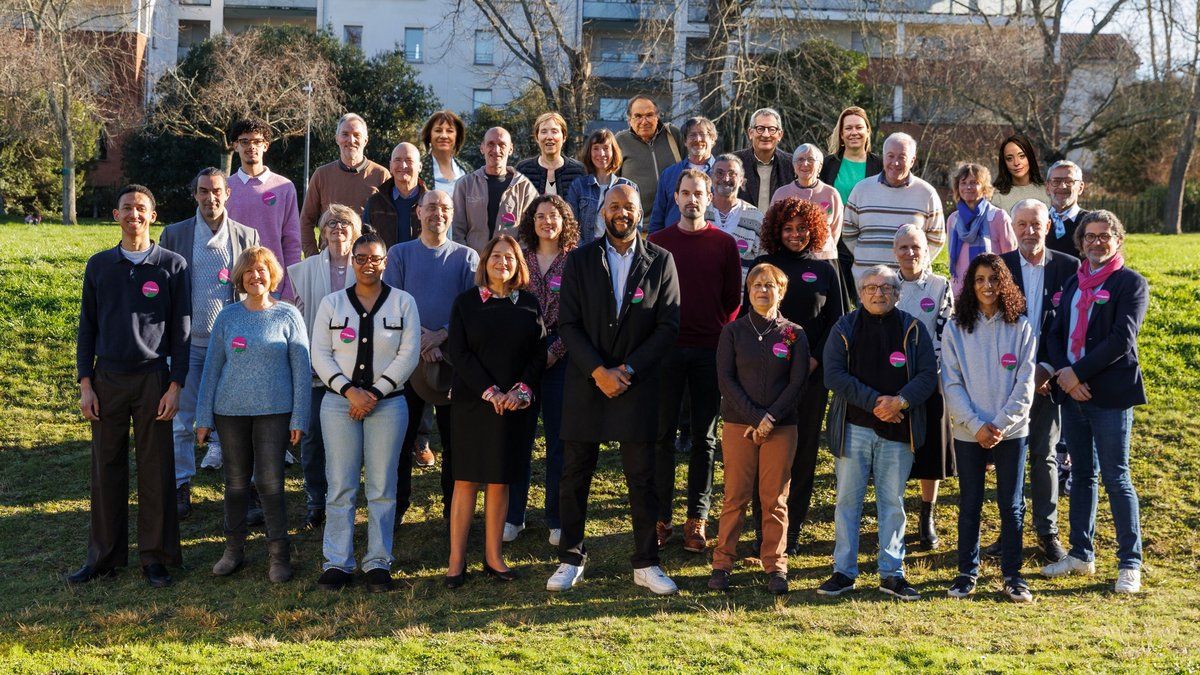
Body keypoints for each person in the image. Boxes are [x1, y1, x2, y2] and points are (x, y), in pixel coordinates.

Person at [546, 184, 681, 595]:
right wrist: (599, 371)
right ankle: (571, 557)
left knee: (642, 477)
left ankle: (646, 562)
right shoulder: (580, 260)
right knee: (574, 474)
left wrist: (628, 369)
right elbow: (567, 323)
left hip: (636, 385)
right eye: (615, 206)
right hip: (587, 383)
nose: (622, 213)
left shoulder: (661, 260)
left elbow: (668, 325)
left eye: (630, 207)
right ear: (602, 212)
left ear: (642, 213)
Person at [70, 184, 188, 589]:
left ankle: (155, 557)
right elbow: (87, 328)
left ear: (153, 216)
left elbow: (181, 333)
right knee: (106, 469)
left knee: (156, 470)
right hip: (107, 380)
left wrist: (175, 386)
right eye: (126, 208)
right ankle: (103, 558)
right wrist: (86, 383)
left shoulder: (172, 266)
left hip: (154, 378)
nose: (133, 214)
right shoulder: (99, 266)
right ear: (116, 215)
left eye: (141, 208)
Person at [1042, 210, 1147, 594]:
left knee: (1117, 478)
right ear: (1081, 242)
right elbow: (1054, 333)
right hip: (1072, 396)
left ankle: (1129, 563)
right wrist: (1066, 377)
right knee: (1082, 476)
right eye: (1090, 236)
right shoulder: (1073, 283)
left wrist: (1077, 374)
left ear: (1118, 240)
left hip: (1109, 397)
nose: (1097, 242)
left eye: (1105, 236)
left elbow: (1122, 340)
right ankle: (1081, 554)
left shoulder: (1130, 283)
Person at [817, 265, 937, 600]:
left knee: (892, 503)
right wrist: (876, 404)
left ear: (898, 293)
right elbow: (834, 375)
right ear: (860, 293)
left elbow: (928, 375)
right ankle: (843, 572)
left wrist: (900, 401)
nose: (878, 293)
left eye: (886, 287)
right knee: (847, 502)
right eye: (870, 287)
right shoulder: (845, 326)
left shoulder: (913, 329)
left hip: (898, 433)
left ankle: (892, 573)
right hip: (854, 428)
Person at [311, 231, 421, 593]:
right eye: (361, 258)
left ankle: (378, 562)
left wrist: (372, 393)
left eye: (375, 258)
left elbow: (408, 354)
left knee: (382, 486)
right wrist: (349, 391)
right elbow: (320, 354)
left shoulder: (403, 303)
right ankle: (337, 563)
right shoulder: (331, 304)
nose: (368, 265)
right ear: (352, 261)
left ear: (385, 262)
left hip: (388, 405)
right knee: (340, 485)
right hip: (337, 405)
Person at [194, 247, 310, 583]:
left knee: (270, 483)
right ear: (240, 278)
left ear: (272, 275)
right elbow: (211, 369)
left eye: (261, 270)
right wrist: (203, 417)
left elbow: (301, 370)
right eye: (249, 271)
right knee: (235, 483)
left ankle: (278, 555)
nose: (255, 276)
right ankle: (234, 550)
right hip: (230, 412)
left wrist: (299, 417)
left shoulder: (288, 316)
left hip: (275, 412)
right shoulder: (227, 317)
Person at [443, 235, 547, 587]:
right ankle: (456, 561)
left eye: (510, 257)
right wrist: (491, 392)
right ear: (484, 261)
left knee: (500, 480)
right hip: (474, 403)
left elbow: (538, 353)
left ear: (519, 264)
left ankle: (493, 557)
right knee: (467, 479)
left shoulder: (530, 305)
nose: (502, 262)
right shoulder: (465, 303)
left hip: (514, 406)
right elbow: (459, 352)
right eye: (496, 256)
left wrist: (519, 391)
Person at [648, 169, 742, 552]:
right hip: (666, 352)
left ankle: (696, 520)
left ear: (708, 197)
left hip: (709, 350)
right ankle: (660, 517)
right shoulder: (657, 243)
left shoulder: (724, 244)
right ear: (675, 198)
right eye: (685, 193)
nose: (692, 199)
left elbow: (733, 299)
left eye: (698, 193)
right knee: (662, 438)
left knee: (704, 439)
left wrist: (717, 329)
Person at [158, 168, 260, 514]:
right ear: (195, 194)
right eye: (203, 191)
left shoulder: (246, 235)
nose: (210, 198)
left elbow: (255, 289)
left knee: (237, 419)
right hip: (187, 344)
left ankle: (243, 486)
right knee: (181, 419)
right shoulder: (175, 234)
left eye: (216, 191)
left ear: (227, 193)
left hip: (232, 346)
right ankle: (179, 485)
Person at [941, 253, 1037, 602]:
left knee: (1011, 506)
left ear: (1004, 284)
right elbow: (951, 383)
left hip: (1011, 432)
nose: (986, 286)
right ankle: (967, 573)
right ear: (971, 284)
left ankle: (1013, 575)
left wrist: (997, 425)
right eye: (980, 279)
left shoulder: (1021, 327)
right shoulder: (956, 328)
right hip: (969, 431)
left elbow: (1026, 384)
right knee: (970, 503)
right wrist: (976, 425)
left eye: (993, 280)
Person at [987, 199, 1078, 563]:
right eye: (1021, 224)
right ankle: (1008, 533)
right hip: (1008, 381)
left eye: (1035, 224)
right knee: (1009, 458)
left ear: (1047, 226)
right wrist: (1021, 372)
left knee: (1045, 456)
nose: (1028, 231)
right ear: (1012, 227)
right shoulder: (999, 267)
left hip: (1049, 381)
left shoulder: (1069, 267)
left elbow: (1072, 327)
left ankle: (1047, 532)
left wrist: (1047, 367)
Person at [709, 263, 809, 595]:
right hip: (740, 425)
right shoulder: (732, 332)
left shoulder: (794, 333)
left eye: (771, 285)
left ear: (782, 291)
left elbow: (797, 383)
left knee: (775, 499)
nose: (764, 290)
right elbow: (726, 380)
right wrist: (756, 418)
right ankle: (722, 563)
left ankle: (776, 566)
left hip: (781, 427)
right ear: (748, 291)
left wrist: (770, 419)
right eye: (757, 285)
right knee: (734, 496)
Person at [748, 198, 841, 554]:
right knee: (765, 454)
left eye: (802, 228)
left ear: (814, 230)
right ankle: (763, 531)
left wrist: (815, 360)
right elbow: (749, 318)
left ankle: (792, 531)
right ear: (776, 230)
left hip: (811, 380)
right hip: (766, 379)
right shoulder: (762, 266)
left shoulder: (826, 271)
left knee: (801, 456)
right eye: (788, 228)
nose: (795, 234)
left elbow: (836, 323)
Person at [384, 190, 480, 522]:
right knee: (401, 440)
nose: (437, 213)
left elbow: (471, 310)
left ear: (452, 215)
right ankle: (396, 508)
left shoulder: (467, 258)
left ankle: (453, 509)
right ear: (418, 212)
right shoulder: (399, 255)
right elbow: (391, 305)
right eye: (431, 207)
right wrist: (421, 340)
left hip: (453, 363)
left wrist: (441, 335)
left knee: (454, 442)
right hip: (406, 363)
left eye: (444, 208)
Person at [506, 195, 580, 545]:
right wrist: (532, 354)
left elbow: (579, 314)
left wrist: (555, 351)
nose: (547, 221)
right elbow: (510, 306)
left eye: (554, 215)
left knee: (558, 443)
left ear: (565, 220)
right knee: (519, 439)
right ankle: (514, 515)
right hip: (523, 360)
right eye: (540, 216)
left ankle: (556, 517)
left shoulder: (577, 261)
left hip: (562, 362)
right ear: (530, 222)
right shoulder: (519, 258)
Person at [286, 204, 360, 530]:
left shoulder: (366, 267)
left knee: (350, 439)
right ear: (321, 231)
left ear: (355, 230)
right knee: (313, 437)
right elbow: (297, 317)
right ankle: (316, 501)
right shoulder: (305, 270)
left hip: (357, 371)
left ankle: (344, 499)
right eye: (330, 223)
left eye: (344, 223)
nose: (337, 228)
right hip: (317, 368)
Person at [892, 224, 955, 551]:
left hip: (931, 379)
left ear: (927, 249)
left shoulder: (941, 286)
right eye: (903, 248)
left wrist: (932, 373)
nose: (910, 253)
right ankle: (896, 515)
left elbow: (947, 332)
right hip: (895, 381)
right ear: (894, 252)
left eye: (916, 247)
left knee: (930, 450)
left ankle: (926, 515)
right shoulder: (887, 285)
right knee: (898, 450)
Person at [842, 132, 945, 280]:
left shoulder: (927, 193)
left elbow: (937, 238)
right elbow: (848, 231)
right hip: (868, 283)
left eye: (902, 157)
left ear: (912, 160)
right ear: (883, 157)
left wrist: (913, 262)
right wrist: (866, 255)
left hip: (912, 284)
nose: (895, 163)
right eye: (890, 156)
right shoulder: (861, 189)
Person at [225, 119, 302, 300]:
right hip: (233, 286)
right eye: (245, 141)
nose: (251, 147)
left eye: (257, 141)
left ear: (266, 146)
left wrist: (289, 291)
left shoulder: (284, 187)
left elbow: (292, 242)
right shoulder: (225, 188)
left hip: (273, 286)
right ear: (236, 146)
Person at [299, 113, 390, 256]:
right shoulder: (321, 175)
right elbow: (306, 220)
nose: (351, 140)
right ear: (337, 139)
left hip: (367, 262)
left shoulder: (381, 175)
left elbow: (389, 223)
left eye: (357, 135)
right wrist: (313, 257)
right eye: (345, 134)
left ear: (365, 140)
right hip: (328, 261)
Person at [819, 106, 881, 308]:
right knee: (841, 302)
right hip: (836, 241)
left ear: (867, 131)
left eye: (859, 127)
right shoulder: (828, 164)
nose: (854, 132)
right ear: (842, 134)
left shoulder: (879, 165)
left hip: (869, 239)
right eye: (848, 128)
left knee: (870, 298)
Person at [451, 126, 538, 253]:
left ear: (511, 149)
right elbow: (457, 230)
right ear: (482, 148)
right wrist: (466, 259)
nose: (496, 150)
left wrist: (515, 259)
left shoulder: (524, 188)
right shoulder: (465, 185)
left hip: (509, 266)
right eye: (490, 144)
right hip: (472, 265)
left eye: (502, 145)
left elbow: (529, 232)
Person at [770, 143, 844, 290]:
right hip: (788, 259)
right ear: (793, 166)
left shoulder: (831, 194)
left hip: (823, 259)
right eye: (800, 159)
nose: (805, 164)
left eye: (811, 160)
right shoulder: (781, 194)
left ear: (820, 166)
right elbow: (773, 228)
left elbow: (835, 230)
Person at [946, 162, 1017, 294]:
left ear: (984, 188)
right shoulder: (953, 220)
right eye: (963, 182)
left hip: (991, 290)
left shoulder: (998, 217)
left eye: (974, 182)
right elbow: (952, 258)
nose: (968, 187)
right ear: (957, 187)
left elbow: (1011, 258)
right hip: (961, 291)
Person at [614, 95, 684, 215]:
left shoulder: (672, 135)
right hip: (637, 225)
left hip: (674, 221)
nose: (644, 121)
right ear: (629, 120)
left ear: (657, 117)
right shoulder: (620, 141)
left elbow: (691, 169)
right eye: (638, 116)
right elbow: (612, 183)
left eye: (649, 115)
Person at [648, 116, 717, 233]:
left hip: (713, 243)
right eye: (692, 135)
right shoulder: (669, 174)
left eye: (702, 134)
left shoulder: (724, 175)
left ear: (712, 139)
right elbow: (657, 217)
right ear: (685, 141)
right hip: (673, 245)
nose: (698, 139)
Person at [564, 128, 635, 241]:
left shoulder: (628, 187)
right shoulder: (579, 186)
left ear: (613, 152)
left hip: (619, 251)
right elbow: (571, 225)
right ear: (589, 152)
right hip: (586, 251)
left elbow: (635, 227)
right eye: (596, 148)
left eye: (606, 148)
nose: (601, 154)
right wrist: (584, 252)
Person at [708, 153, 764, 278]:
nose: (726, 178)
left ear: (741, 180)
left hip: (741, 293)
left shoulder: (756, 218)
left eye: (732, 174)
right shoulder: (700, 213)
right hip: (704, 291)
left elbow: (763, 263)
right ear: (711, 178)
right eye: (720, 173)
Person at [363, 142, 427, 249]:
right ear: (390, 166)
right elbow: (365, 241)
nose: (403, 165)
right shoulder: (375, 203)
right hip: (385, 265)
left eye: (409, 160)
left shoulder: (431, 204)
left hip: (423, 265)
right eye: (398, 160)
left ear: (420, 166)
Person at [733, 107, 796, 212]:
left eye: (772, 129)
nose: (766, 135)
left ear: (780, 135)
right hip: (740, 226)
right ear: (750, 133)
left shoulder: (792, 165)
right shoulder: (734, 163)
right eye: (760, 128)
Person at [515, 112, 587, 196]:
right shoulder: (523, 170)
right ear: (537, 137)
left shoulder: (579, 171)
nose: (549, 137)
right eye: (544, 132)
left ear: (564, 137)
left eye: (554, 131)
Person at [418, 110, 473, 196]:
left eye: (449, 131)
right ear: (429, 135)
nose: (444, 136)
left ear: (457, 137)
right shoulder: (418, 169)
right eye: (438, 130)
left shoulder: (467, 170)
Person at [990, 134, 1047, 214]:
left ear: (1030, 157)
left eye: (1022, 156)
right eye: (1009, 159)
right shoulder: (994, 196)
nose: (1016, 163)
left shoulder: (1047, 192)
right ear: (1004, 163)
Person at [1044, 160, 1091, 258]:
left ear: (1081, 187)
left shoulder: (1091, 223)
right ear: (1047, 187)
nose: (1062, 186)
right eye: (1056, 181)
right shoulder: (1037, 221)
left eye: (1069, 181)